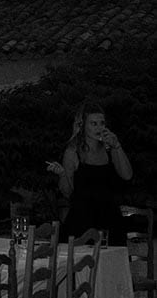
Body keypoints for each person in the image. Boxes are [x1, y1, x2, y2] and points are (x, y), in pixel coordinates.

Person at [46, 99, 133, 245]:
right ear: (83, 126)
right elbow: (68, 192)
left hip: (110, 219)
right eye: (94, 123)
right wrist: (62, 174)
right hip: (82, 221)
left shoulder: (109, 148)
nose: (99, 127)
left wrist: (117, 146)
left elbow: (127, 175)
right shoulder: (73, 152)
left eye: (102, 123)